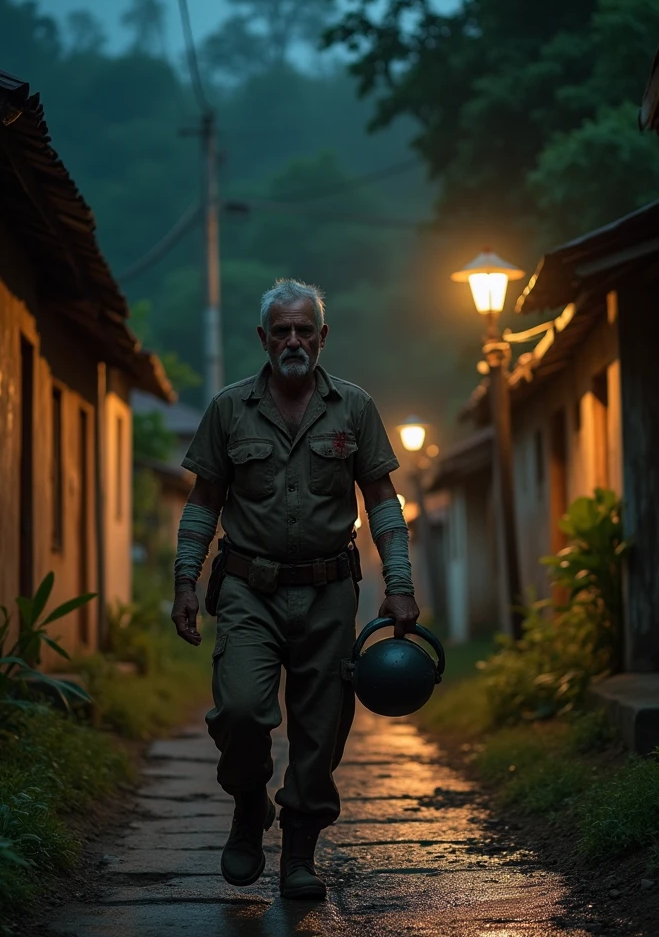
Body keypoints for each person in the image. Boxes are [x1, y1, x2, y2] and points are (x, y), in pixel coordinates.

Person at [171, 278, 419, 900]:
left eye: (304, 330)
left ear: (322, 337)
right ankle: (250, 803)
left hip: (330, 590)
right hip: (248, 592)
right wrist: (185, 581)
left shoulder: (355, 408)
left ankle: (300, 853)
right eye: (280, 330)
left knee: (321, 728)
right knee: (241, 710)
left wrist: (400, 585)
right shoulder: (229, 409)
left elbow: (383, 502)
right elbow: (203, 503)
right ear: (263, 338)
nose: (292, 340)